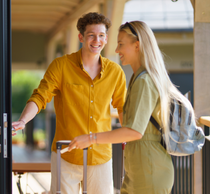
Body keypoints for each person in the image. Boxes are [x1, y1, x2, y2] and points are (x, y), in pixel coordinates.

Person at [67, 21, 195, 193]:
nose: (116, 50)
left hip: (149, 171)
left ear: (137, 45)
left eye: (120, 44)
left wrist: (90, 138)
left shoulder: (144, 81)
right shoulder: (139, 78)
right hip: (140, 168)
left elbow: (134, 131)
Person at [12, 12, 127, 194]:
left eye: (101, 35)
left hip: (100, 156)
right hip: (66, 155)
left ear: (106, 38)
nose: (97, 40)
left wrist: (129, 135)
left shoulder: (115, 72)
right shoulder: (61, 66)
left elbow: (122, 108)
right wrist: (23, 121)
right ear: (81, 37)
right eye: (91, 35)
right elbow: (40, 97)